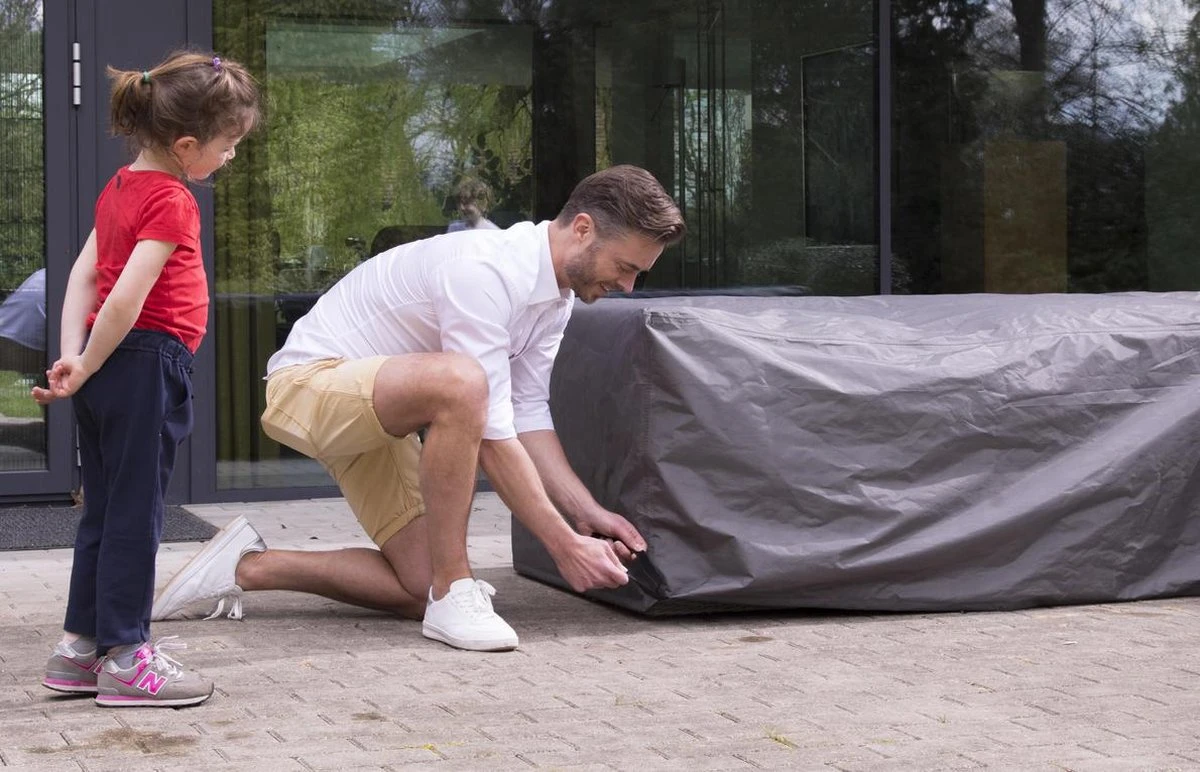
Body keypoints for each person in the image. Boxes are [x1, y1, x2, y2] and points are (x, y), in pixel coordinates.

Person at [152, 164, 686, 651]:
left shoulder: (555, 299)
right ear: (583, 229)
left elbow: (526, 413)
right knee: (463, 383)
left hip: (382, 416)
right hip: (309, 386)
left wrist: (586, 514)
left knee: (417, 589)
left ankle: (247, 566)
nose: (627, 286)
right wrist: (561, 543)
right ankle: (455, 589)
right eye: (625, 267)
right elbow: (491, 430)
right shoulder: (485, 268)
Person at [31, 51, 260, 707]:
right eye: (227, 145)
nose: (230, 157)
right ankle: (129, 659)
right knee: (137, 516)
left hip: (107, 368)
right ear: (186, 146)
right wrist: (87, 361)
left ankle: (79, 649)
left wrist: (75, 358)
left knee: (105, 512)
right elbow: (127, 297)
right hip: (145, 365)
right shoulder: (171, 199)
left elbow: (82, 277)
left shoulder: (119, 188)